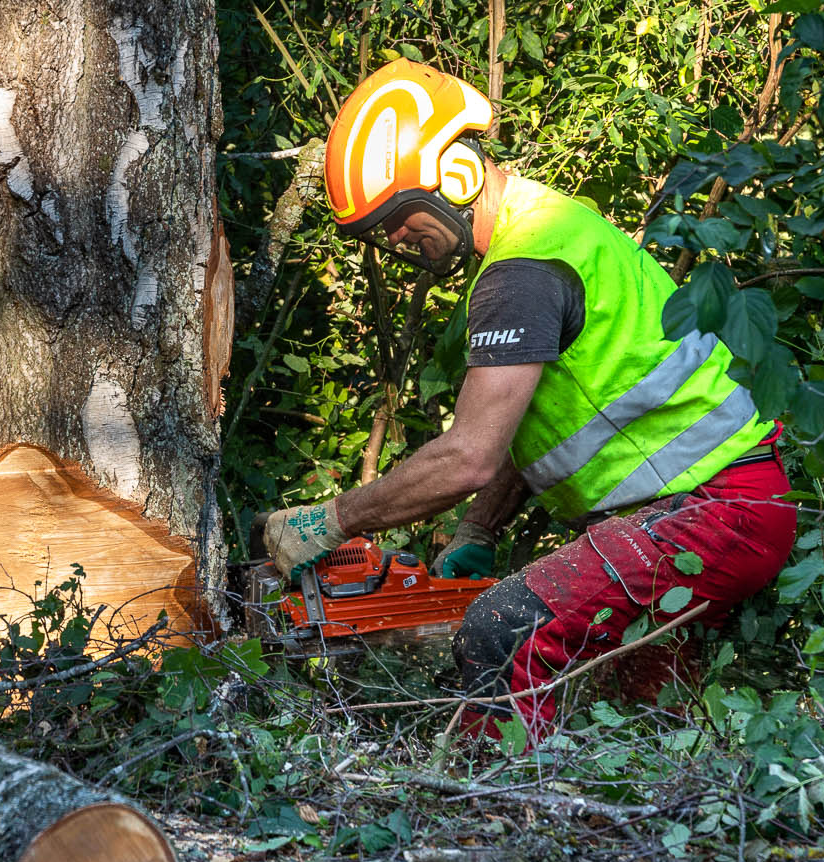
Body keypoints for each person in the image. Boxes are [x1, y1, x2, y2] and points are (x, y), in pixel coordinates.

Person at [262, 59, 796, 737]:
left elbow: (468, 457)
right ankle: (621, 830)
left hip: (715, 511)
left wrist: (336, 519)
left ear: (453, 173)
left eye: (399, 217)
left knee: (502, 628)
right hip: (717, 508)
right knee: (638, 725)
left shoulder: (523, 267)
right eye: (379, 232)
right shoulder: (548, 231)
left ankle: (490, 824)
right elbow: (539, 420)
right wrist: (478, 531)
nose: (395, 241)